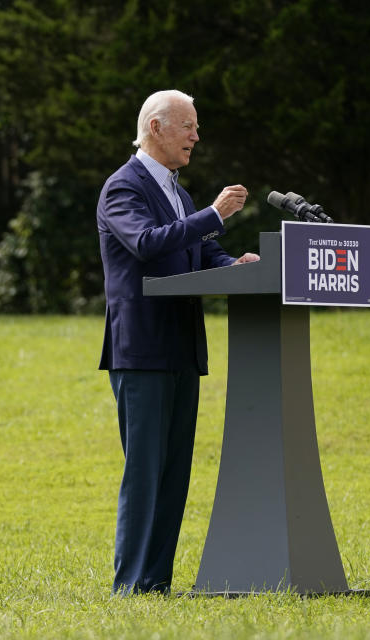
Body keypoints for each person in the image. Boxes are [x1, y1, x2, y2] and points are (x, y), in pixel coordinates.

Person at [96, 89, 259, 595]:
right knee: (144, 473)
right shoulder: (122, 187)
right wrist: (214, 214)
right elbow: (146, 244)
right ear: (156, 127)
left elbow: (196, 252)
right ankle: (130, 586)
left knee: (174, 474)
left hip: (183, 348)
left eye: (196, 126)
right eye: (187, 125)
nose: (196, 135)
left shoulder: (178, 193)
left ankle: (156, 584)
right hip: (142, 350)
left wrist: (232, 265)